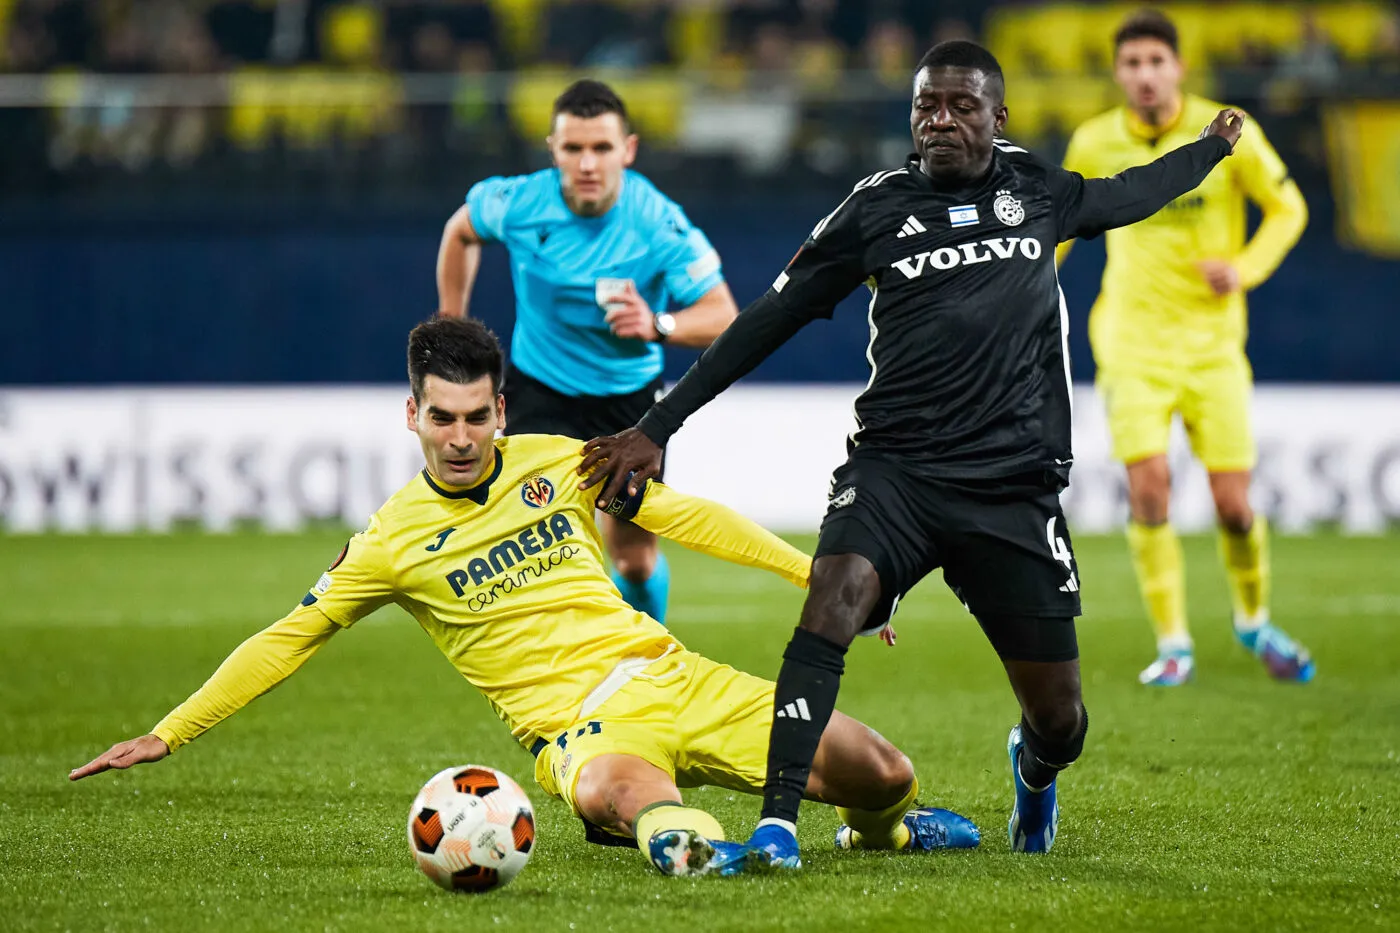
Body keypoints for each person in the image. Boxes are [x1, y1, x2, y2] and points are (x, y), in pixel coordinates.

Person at [580, 40, 1244, 867]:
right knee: (831, 603)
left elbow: (1131, 193)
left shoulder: (1037, 190)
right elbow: (764, 322)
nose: (940, 120)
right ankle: (779, 824)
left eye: (962, 106)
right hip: (895, 472)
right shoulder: (876, 208)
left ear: (996, 117)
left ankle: (1033, 773)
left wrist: (1211, 149)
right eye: (926, 105)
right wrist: (661, 422)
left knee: (1062, 720)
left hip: (1012, 488)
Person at [69, 318, 979, 878]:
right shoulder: (390, 541)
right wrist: (171, 729)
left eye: (476, 416)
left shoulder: (562, 461)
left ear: (501, 409)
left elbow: (690, 518)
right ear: (412, 415)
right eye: (441, 417)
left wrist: (815, 578)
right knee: (630, 795)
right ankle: (685, 842)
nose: (460, 438)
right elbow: (290, 636)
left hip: (676, 674)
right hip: (581, 730)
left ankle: (879, 838)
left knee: (886, 773)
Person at [1056, 10, 1312, 688]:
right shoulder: (1094, 139)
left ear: (1179, 68)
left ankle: (1253, 619)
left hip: (1213, 348)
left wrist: (1246, 267)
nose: (1144, 75)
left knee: (1234, 505)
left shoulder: (1227, 132)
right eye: (1132, 64)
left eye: (1155, 62)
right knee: (1149, 491)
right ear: (1117, 73)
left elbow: (1290, 209)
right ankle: (1174, 643)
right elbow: (1059, 227)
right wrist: (1023, 283)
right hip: (1131, 346)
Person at [436, 78, 739, 627]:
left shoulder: (658, 223)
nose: (587, 163)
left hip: (627, 407)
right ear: (553, 150)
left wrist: (657, 324)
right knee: (531, 554)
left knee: (634, 558)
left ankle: (647, 666)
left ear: (628, 150)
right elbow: (461, 230)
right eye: (573, 148)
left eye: (601, 147)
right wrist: (452, 320)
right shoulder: (522, 202)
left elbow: (723, 315)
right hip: (538, 394)